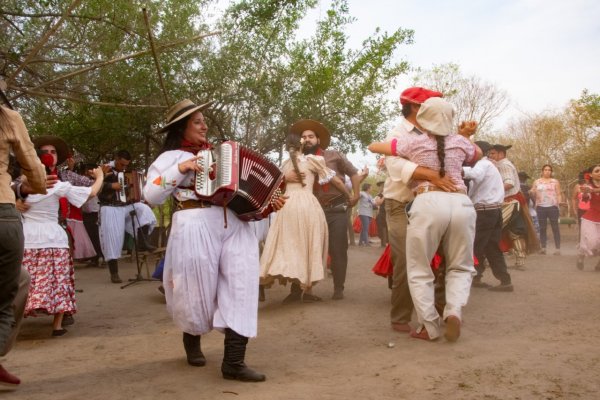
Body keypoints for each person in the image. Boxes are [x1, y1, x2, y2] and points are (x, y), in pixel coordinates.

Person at [143, 99, 286, 382]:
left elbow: (243, 197)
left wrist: (268, 205)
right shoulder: (169, 159)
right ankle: (192, 336)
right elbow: (151, 195)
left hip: (234, 224)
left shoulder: (221, 156)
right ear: (181, 128)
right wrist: (181, 168)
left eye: (204, 120)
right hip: (193, 223)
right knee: (195, 291)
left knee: (242, 285)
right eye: (197, 121)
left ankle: (234, 361)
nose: (204, 125)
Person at [369, 97, 481, 342]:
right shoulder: (461, 143)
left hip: (428, 203)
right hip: (462, 203)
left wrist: (391, 147)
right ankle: (453, 311)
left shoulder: (412, 142)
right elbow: (477, 154)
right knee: (460, 266)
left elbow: (374, 147)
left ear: (422, 119)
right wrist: (463, 135)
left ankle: (427, 326)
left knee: (419, 268)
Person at [378, 87, 457, 334]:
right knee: (404, 258)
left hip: (434, 203)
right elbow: (394, 164)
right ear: (414, 107)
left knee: (445, 254)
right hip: (400, 204)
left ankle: (442, 309)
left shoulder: (438, 130)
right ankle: (401, 316)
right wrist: (432, 174)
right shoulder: (397, 132)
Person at [23, 136, 104, 336]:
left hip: (29, 235)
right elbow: (91, 193)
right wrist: (100, 176)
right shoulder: (56, 184)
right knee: (58, 278)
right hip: (51, 235)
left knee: (26, 280)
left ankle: (19, 320)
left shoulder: (22, 182)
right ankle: (57, 325)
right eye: (45, 152)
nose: (49, 155)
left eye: (53, 152)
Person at [260, 132, 347, 303]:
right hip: (307, 205)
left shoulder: (284, 165)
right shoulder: (313, 160)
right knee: (308, 244)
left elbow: (273, 188)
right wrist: (349, 194)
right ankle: (306, 290)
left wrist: (285, 179)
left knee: (290, 245)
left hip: (287, 206)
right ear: (300, 144)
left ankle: (293, 288)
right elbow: (335, 181)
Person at [0, 104, 46, 388]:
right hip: (2, 215)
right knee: (6, 297)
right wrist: (35, 185)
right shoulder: (7, 116)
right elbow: (34, 169)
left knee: (21, 278)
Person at [291, 119, 361, 300]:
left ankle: (339, 288)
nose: (307, 139)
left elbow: (353, 173)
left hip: (337, 208)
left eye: (311, 136)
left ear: (318, 140)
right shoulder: (297, 160)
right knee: (304, 247)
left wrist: (356, 194)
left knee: (338, 248)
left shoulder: (334, 155)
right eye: (304, 137)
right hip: (311, 209)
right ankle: (298, 290)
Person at [98, 150, 157, 283]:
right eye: (122, 164)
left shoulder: (127, 172)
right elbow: (92, 185)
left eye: (126, 165)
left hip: (124, 206)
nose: (124, 167)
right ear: (116, 158)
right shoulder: (104, 168)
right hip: (109, 207)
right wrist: (111, 185)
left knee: (144, 209)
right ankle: (114, 273)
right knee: (113, 238)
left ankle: (142, 242)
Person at [463, 140, 513, 292]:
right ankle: (505, 280)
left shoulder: (482, 164)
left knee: (476, 244)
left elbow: (473, 174)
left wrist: (454, 168)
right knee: (491, 246)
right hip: (493, 210)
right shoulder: (490, 165)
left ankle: (474, 277)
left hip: (485, 211)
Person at [488, 144, 539, 269]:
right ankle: (519, 260)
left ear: (501, 154)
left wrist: (492, 192)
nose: (490, 155)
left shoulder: (504, 165)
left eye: (493, 153)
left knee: (493, 229)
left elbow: (509, 183)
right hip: (511, 201)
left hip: (509, 201)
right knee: (514, 230)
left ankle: (485, 258)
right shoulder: (503, 164)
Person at [530, 164, 563, 255]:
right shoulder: (537, 182)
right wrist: (531, 192)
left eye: (549, 170)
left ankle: (557, 249)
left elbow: (559, 193)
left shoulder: (555, 182)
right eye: (545, 170)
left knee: (555, 227)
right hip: (540, 207)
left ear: (551, 172)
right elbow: (532, 191)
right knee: (542, 228)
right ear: (542, 171)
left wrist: (559, 202)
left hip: (553, 206)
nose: (547, 171)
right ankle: (543, 248)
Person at [576, 164, 600, 271]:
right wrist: (586, 193)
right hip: (591, 218)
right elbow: (586, 198)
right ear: (590, 174)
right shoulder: (588, 186)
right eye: (597, 171)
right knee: (591, 242)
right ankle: (581, 256)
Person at [572, 172, 591, 242]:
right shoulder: (577, 186)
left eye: (588, 177)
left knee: (592, 229)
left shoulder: (594, 186)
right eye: (585, 177)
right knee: (582, 229)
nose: (586, 179)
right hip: (581, 211)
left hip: (593, 211)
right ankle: (582, 246)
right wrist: (574, 210)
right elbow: (573, 198)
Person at [374, 181, 388, 248]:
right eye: (381, 186)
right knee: (382, 228)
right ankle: (383, 243)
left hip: (388, 213)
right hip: (382, 213)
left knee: (387, 228)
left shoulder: (390, 194)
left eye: (383, 186)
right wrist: (384, 195)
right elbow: (378, 203)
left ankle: (387, 243)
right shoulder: (380, 195)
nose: (381, 187)